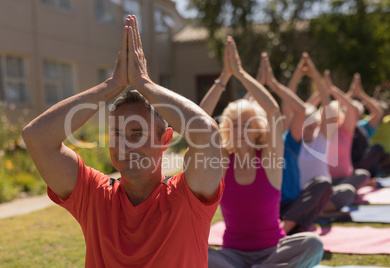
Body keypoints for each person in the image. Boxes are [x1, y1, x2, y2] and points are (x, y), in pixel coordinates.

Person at [22, 15, 223, 267]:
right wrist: (113, 84)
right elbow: (36, 137)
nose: (126, 146)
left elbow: (206, 133)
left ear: (165, 139)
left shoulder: (187, 199)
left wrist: (144, 83)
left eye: (137, 134)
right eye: (117, 134)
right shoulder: (95, 196)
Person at [201, 37, 323, 268]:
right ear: (226, 127)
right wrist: (225, 76)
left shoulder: (269, 159)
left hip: (272, 253)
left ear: (258, 129)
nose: (240, 129)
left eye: (247, 124)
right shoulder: (223, 161)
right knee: (195, 248)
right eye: (234, 124)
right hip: (232, 257)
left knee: (313, 244)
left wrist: (240, 73)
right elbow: (198, 119)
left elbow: (273, 111)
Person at [279, 53, 333, 234]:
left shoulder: (322, 139)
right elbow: (288, 106)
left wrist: (315, 75)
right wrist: (296, 76)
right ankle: (289, 228)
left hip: (316, 197)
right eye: (305, 126)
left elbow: (327, 106)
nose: (309, 130)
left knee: (331, 186)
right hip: (296, 201)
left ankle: (290, 227)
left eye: (312, 126)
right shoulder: (293, 141)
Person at [320, 71, 371, 214]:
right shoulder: (319, 132)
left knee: (362, 175)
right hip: (327, 182)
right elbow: (306, 109)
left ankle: (329, 202)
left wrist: (332, 90)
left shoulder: (345, 131)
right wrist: (323, 91)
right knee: (344, 191)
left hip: (346, 178)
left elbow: (352, 108)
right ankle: (329, 203)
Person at [347, 74, 385, 176]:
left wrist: (360, 94)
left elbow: (378, 113)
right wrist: (350, 94)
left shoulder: (363, 126)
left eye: (355, 112)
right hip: (345, 164)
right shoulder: (340, 127)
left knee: (377, 148)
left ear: (360, 115)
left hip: (360, 164)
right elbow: (332, 110)